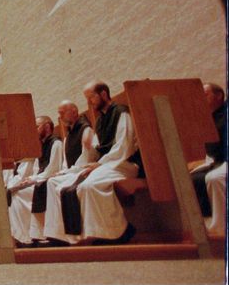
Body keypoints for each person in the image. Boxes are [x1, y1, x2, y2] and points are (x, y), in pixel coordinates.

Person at [59, 82, 141, 245]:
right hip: (109, 165)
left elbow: (124, 146)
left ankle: (121, 230)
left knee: (90, 185)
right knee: (82, 186)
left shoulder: (121, 112)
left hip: (125, 164)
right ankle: (105, 232)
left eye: (91, 97)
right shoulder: (101, 120)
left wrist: (98, 164)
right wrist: (88, 148)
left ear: (103, 94)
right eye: (87, 99)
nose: (89, 102)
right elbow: (97, 149)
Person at [43, 99, 98, 244]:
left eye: (62, 113)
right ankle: (58, 233)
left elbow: (88, 157)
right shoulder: (68, 136)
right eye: (59, 114)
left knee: (61, 186)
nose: (60, 117)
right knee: (52, 182)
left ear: (74, 111)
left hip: (85, 169)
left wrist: (69, 172)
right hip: (73, 171)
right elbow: (66, 162)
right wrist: (63, 171)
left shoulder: (86, 130)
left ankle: (74, 234)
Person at [7, 116, 62, 247]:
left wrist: (31, 179)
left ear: (47, 127)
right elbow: (38, 169)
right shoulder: (40, 145)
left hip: (52, 179)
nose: (34, 131)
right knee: (14, 194)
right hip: (40, 179)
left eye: (37, 127)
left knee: (18, 195)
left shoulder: (56, 143)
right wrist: (31, 179)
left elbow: (53, 168)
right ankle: (24, 236)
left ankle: (30, 235)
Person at [190, 83, 226, 235]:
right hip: (215, 159)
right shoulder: (210, 117)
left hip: (224, 159)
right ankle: (204, 221)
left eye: (205, 94)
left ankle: (220, 226)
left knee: (213, 178)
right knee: (191, 178)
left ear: (219, 96)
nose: (201, 99)